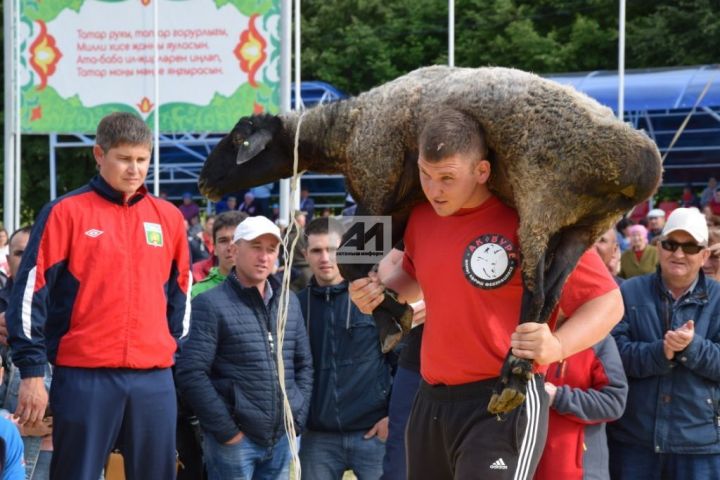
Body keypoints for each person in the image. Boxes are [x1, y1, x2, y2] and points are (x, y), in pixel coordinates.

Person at [350, 109, 622, 480]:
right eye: (426, 176)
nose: (434, 189)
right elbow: (412, 277)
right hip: (430, 398)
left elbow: (609, 302)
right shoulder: (421, 215)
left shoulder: (533, 222)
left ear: (482, 171)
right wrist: (378, 293)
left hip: (503, 400)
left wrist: (556, 347)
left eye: (447, 178)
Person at [6, 112, 191, 480]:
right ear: (99, 154)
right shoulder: (65, 213)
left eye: (142, 159)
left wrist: (169, 353)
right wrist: (31, 372)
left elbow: (181, 293)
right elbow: (30, 294)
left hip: (153, 378)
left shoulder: (168, 218)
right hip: (84, 375)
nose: (134, 170)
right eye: (124, 158)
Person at [175, 216, 313, 480]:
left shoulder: (288, 302)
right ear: (235, 251)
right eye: (256, 247)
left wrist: (296, 417)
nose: (264, 256)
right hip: (235, 442)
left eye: (271, 249)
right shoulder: (210, 304)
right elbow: (191, 372)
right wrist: (227, 431)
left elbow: (304, 364)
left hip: (282, 437)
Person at [608, 207, 720, 479]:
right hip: (635, 439)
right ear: (658, 246)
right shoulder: (628, 291)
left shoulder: (718, 298)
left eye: (690, 247)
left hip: (698, 443)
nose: (679, 254)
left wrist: (692, 348)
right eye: (671, 244)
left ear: (704, 254)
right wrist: (661, 351)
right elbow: (612, 358)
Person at [297, 218, 393, 480]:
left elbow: (400, 357)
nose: (325, 258)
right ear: (305, 254)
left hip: (373, 432)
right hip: (318, 437)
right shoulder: (296, 306)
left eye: (333, 249)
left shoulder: (373, 297)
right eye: (317, 250)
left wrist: (391, 417)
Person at [0, 226, 53, 479]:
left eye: (36, 251)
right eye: (20, 252)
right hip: (9, 451)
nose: (29, 258)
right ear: (7, 260)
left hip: (65, 449)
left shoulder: (78, 311)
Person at [192, 211, 247, 298]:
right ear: (214, 248)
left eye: (236, 239)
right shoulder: (197, 293)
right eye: (223, 241)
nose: (230, 247)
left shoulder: (265, 289)